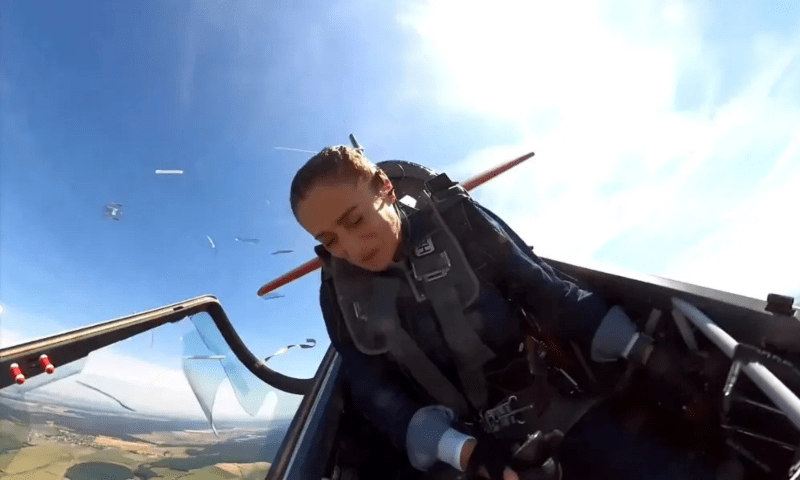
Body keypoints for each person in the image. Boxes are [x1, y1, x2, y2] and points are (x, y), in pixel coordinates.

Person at [289, 145, 722, 480]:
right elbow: (372, 391)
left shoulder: (456, 223)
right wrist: (468, 454)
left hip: (547, 408)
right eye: (329, 240)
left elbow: (545, 290)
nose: (351, 249)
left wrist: (647, 352)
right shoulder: (338, 295)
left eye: (355, 220)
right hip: (457, 448)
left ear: (383, 186)